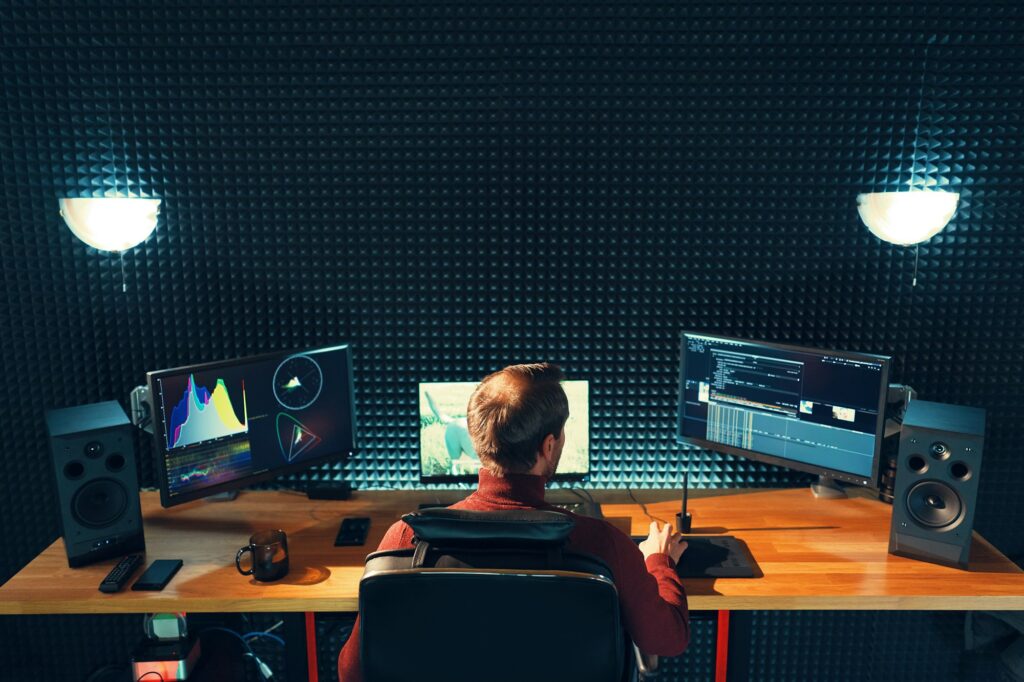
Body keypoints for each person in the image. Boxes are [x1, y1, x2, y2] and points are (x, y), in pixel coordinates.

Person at [338, 363, 690, 681]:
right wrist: (659, 562)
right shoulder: (601, 542)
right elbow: (668, 639)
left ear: (476, 440)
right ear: (549, 446)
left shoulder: (408, 538)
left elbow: (352, 671)